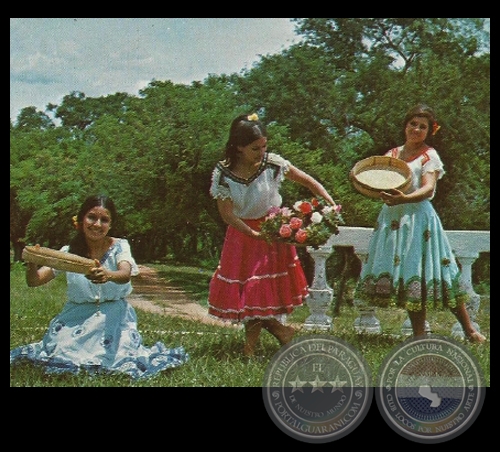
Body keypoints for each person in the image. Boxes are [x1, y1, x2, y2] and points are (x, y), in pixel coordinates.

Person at [10, 194, 189, 378]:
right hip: (76, 317)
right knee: (63, 352)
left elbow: (125, 274)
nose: (97, 224)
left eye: (104, 220)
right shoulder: (68, 252)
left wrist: (108, 275)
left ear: (110, 224)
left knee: (116, 358)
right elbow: (35, 281)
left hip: (113, 316)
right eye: (92, 217)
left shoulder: (120, 247)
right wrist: (33, 260)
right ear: (81, 220)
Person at [208, 113, 337, 357]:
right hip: (241, 234)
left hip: (272, 231)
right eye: (255, 148)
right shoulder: (224, 173)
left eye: (264, 146)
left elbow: (307, 180)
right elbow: (227, 214)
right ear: (238, 147)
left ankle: (251, 349)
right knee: (250, 294)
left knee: (259, 293)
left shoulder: (272, 164)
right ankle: (275, 334)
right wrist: (251, 233)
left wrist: (330, 204)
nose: (262, 152)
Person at [355, 104, 486, 343]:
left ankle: (470, 331)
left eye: (422, 126)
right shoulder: (392, 155)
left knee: (433, 273)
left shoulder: (429, 155)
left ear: (429, 131)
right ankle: (418, 336)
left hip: (418, 220)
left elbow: (428, 188)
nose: (416, 129)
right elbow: (379, 183)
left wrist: (404, 198)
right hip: (394, 218)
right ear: (405, 126)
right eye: (413, 124)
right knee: (409, 274)